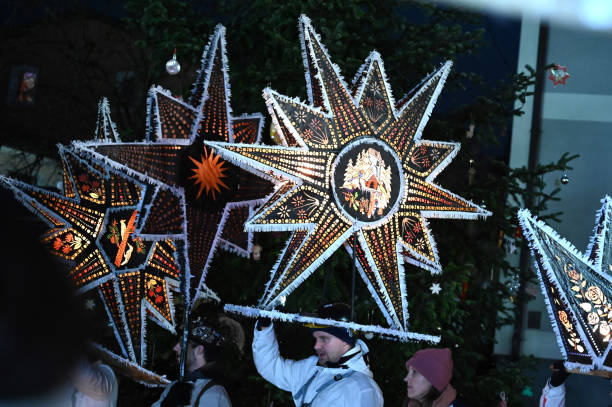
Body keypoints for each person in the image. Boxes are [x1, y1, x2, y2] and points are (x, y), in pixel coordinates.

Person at [252, 302, 384, 406]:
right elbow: (271, 367)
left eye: (324, 339)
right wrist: (264, 328)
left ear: (345, 340)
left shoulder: (363, 389)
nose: (316, 346)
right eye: (316, 338)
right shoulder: (312, 368)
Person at [152, 314, 241, 407]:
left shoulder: (213, 393)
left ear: (199, 350)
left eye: (182, 343)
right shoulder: (174, 386)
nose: (175, 348)